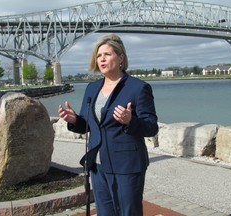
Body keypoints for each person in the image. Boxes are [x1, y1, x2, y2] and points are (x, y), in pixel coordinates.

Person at [58, 33, 158, 216]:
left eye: (107, 54)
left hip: (127, 166)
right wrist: (74, 121)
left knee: (129, 213)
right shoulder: (92, 88)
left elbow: (151, 127)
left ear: (121, 58)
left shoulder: (138, 87)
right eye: (98, 55)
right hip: (97, 165)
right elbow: (88, 125)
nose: (101, 59)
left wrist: (130, 121)